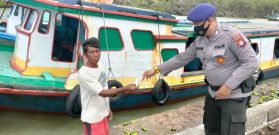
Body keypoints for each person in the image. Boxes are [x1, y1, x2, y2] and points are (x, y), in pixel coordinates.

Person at [142, 3, 258, 135]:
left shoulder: (232, 36)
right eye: (193, 24)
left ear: (209, 20)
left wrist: (228, 86)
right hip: (213, 94)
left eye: (197, 23)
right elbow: (183, 58)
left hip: (234, 94)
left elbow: (251, 62)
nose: (195, 27)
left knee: (231, 132)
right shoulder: (200, 40)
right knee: (211, 129)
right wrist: (157, 69)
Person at [79, 37, 138, 135]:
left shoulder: (101, 66)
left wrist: (107, 109)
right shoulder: (84, 73)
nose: (96, 55)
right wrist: (125, 88)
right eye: (92, 52)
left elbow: (104, 86)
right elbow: (102, 92)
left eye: (97, 51)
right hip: (92, 118)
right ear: (85, 54)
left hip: (102, 114)